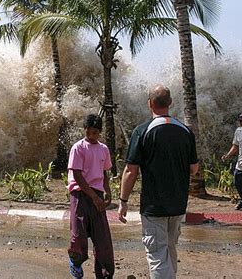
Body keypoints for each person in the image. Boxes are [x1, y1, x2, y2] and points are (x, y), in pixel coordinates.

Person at [118, 85, 199, 279]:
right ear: (170, 103)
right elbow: (194, 168)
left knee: (157, 253)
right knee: (170, 249)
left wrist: (123, 201)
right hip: (178, 205)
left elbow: (131, 170)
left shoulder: (142, 131)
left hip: (154, 205)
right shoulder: (185, 132)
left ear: (149, 104)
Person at [67, 114, 114, 279]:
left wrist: (107, 191)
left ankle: (104, 272)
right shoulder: (78, 148)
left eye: (95, 133)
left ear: (100, 132)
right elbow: (78, 175)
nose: (92, 136)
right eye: (89, 132)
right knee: (78, 233)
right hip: (80, 194)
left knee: (102, 237)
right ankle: (76, 262)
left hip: (97, 193)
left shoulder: (103, 149)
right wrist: (94, 197)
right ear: (84, 130)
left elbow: (104, 172)